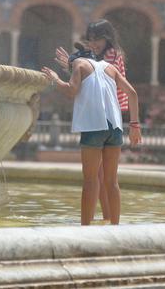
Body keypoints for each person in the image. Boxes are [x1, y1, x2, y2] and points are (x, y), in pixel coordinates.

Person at [42, 41, 141, 225]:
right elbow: (132, 94)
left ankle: (85, 229)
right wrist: (134, 125)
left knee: (90, 180)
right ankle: (115, 228)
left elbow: (71, 91)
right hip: (115, 128)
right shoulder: (110, 68)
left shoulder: (79, 64)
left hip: (93, 126)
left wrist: (55, 79)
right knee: (111, 181)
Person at [55, 19, 127, 222]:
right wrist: (71, 64)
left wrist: (71, 65)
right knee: (104, 177)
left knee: (100, 177)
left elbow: (99, 80)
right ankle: (108, 220)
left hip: (105, 115)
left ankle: (105, 218)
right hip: (111, 116)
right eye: (91, 40)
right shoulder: (108, 55)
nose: (93, 44)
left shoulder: (110, 55)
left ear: (108, 38)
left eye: (98, 39)